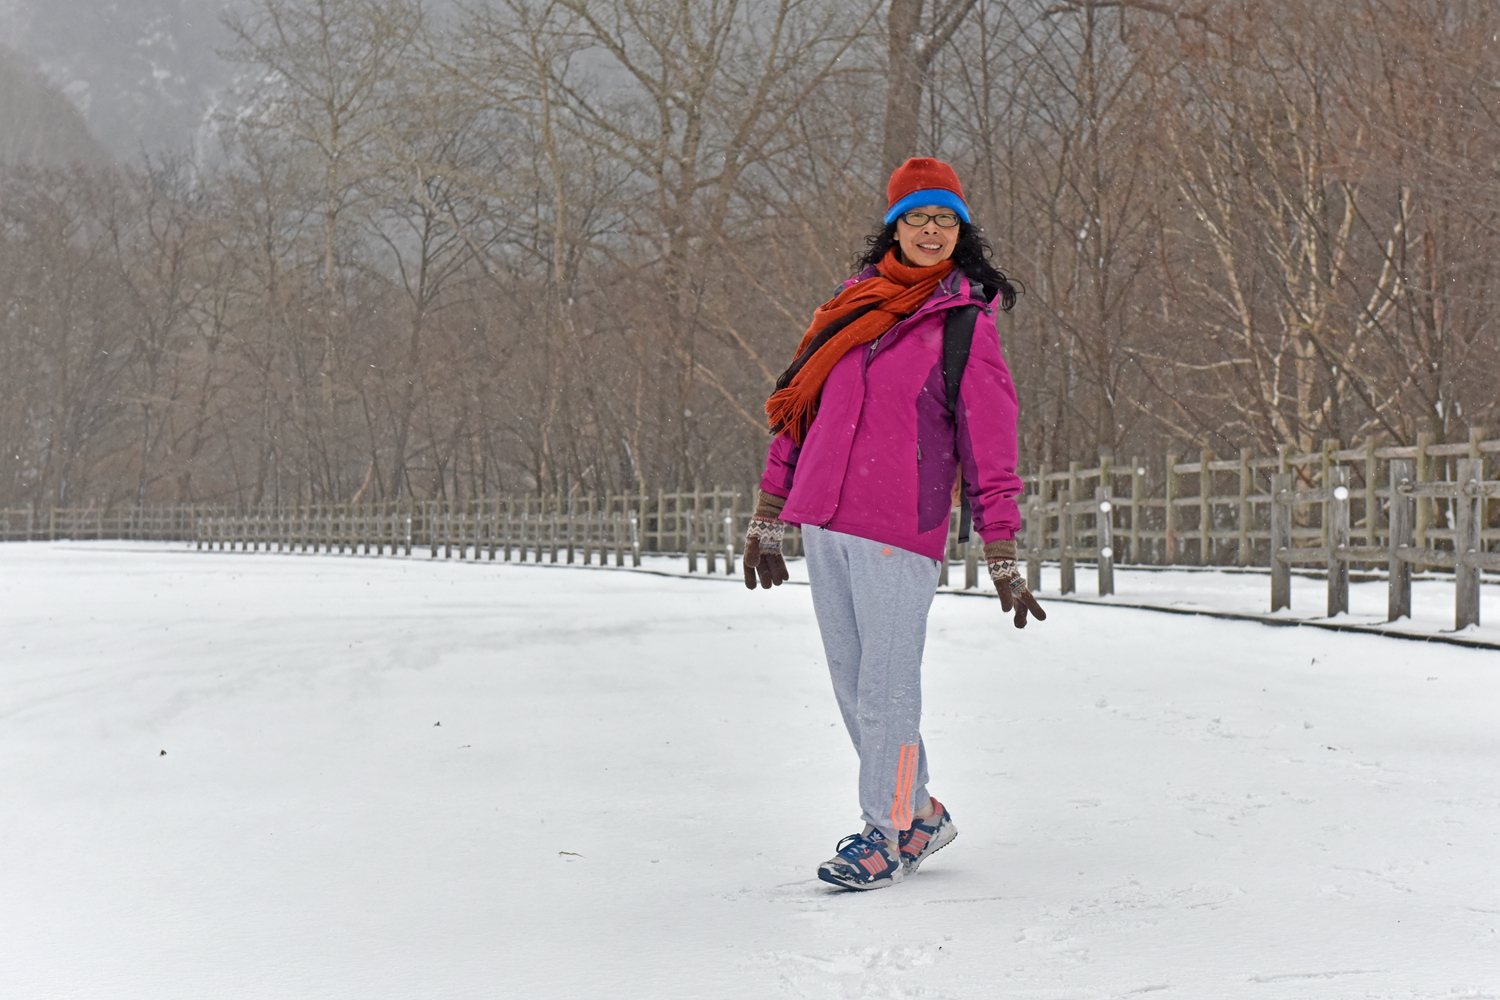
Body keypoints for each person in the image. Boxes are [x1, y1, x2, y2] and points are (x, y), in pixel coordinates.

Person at [742, 157, 1046, 891]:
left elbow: (990, 440)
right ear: (896, 227)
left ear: (961, 231)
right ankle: (920, 810)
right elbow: (796, 413)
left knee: (887, 689)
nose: (932, 231)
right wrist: (769, 513)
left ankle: (888, 833)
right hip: (826, 522)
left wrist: (1000, 546)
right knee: (854, 686)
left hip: (897, 527)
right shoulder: (851, 307)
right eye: (918, 218)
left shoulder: (964, 322)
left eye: (945, 220)